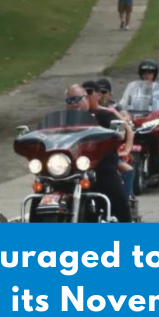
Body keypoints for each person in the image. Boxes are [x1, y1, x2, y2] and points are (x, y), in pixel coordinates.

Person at [64, 84, 132, 223]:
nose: (74, 103)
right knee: (45, 185)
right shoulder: (62, 121)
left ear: (86, 99)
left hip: (100, 166)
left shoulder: (104, 115)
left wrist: (118, 133)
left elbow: (121, 132)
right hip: (70, 169)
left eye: (77, 99)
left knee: (113, 189)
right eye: (70, 101)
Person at [119, 60, 159, 168]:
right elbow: (124, 101)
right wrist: (120, 107)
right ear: (141, 74)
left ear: (154, 74)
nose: (147, 75)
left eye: (150, 73)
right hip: (136, 119)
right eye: (144, 72)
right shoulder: (133, 88)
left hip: (152, 118)